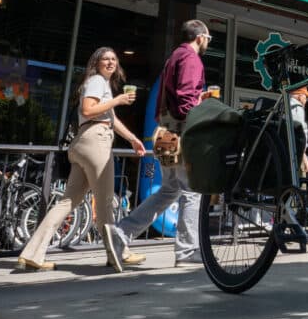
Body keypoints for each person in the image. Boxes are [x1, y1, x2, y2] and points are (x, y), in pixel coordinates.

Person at [18, 47, 146, 271]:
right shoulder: (97, 81)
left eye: (113, 59)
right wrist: (117, 100)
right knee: (105, 201)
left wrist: (132, 138)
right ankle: (119, 252)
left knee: (67, 201)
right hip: (95, 141)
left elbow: (110, 119)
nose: (110, 62)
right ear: (96, 63)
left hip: (84, 142)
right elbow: (88, 110)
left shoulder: (101, 84)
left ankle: (32, 253)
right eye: (105, 59)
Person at [104, 19, 214, 271]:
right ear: (200, 38)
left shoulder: (173, 58)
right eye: (208, 39)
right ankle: (187, 251)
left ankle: (121, 234)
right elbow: (186, 99)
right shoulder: (191, 59)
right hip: (181, 130)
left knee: (168, 190)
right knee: (192, 190)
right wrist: (199, 115)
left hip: (164, 131)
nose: (207, 43)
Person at [289, 85, 308, 175]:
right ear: (299, 96)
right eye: (305, 96)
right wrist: (304, 158)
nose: (306, 100)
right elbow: (298, 136)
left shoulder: (287, 105)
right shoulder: (297, 107)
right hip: (297, 155)